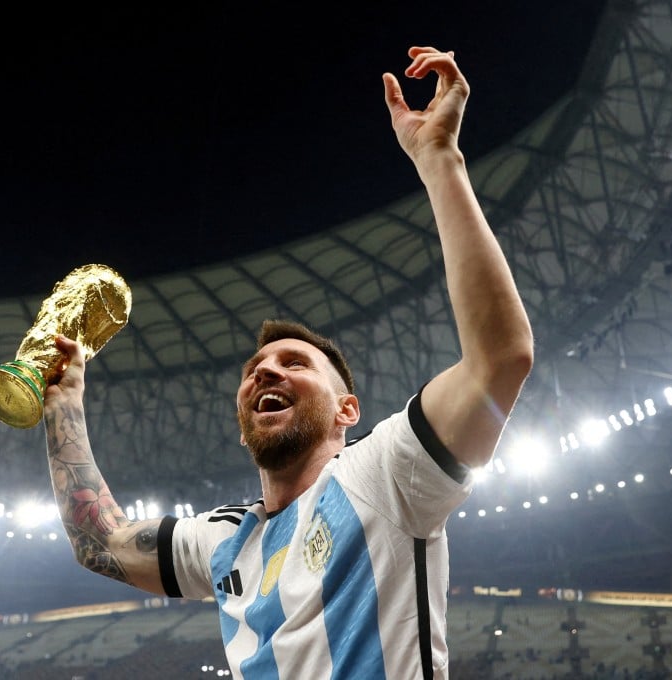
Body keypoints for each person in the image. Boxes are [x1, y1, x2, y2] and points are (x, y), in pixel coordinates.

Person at [43, 46, 534, 680]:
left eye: (294, 363)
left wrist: (440, 160)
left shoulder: (383, 475)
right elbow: (98, 543)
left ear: (347, 410)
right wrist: (65, 405)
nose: (265, 372)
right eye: (254, 368)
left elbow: (500, 360)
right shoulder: (224, 540)